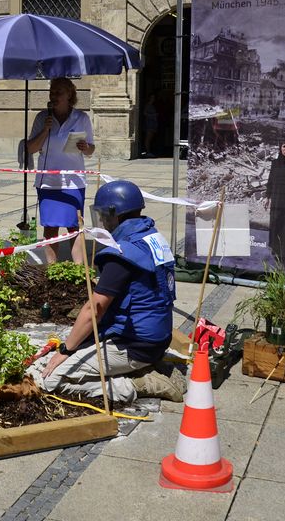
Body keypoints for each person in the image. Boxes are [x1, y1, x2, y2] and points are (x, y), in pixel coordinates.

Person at [31, 179, 186, 404]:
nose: (102, 221)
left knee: (52, 379)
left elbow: (94, 310)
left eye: (104, 215)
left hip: (134, 344)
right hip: (156, 337)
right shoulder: (152, 238)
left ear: (115, 213)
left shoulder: (123, 253)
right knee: (80, 344)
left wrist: (65, 350)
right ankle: (146, 365)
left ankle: (137, 384)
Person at [27, 77, 95, 264]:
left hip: (74, 182)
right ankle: (51, 271)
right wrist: (45, 130)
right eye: (52, 92)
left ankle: (79, 272)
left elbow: (91, 150)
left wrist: (85, 147)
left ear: (69, 95)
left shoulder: (81, 118)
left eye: (59, 92)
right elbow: (31, 148)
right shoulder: (42, 118)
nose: (54, 96)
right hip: (48, 182)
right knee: (50, 229)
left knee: (74, 228)